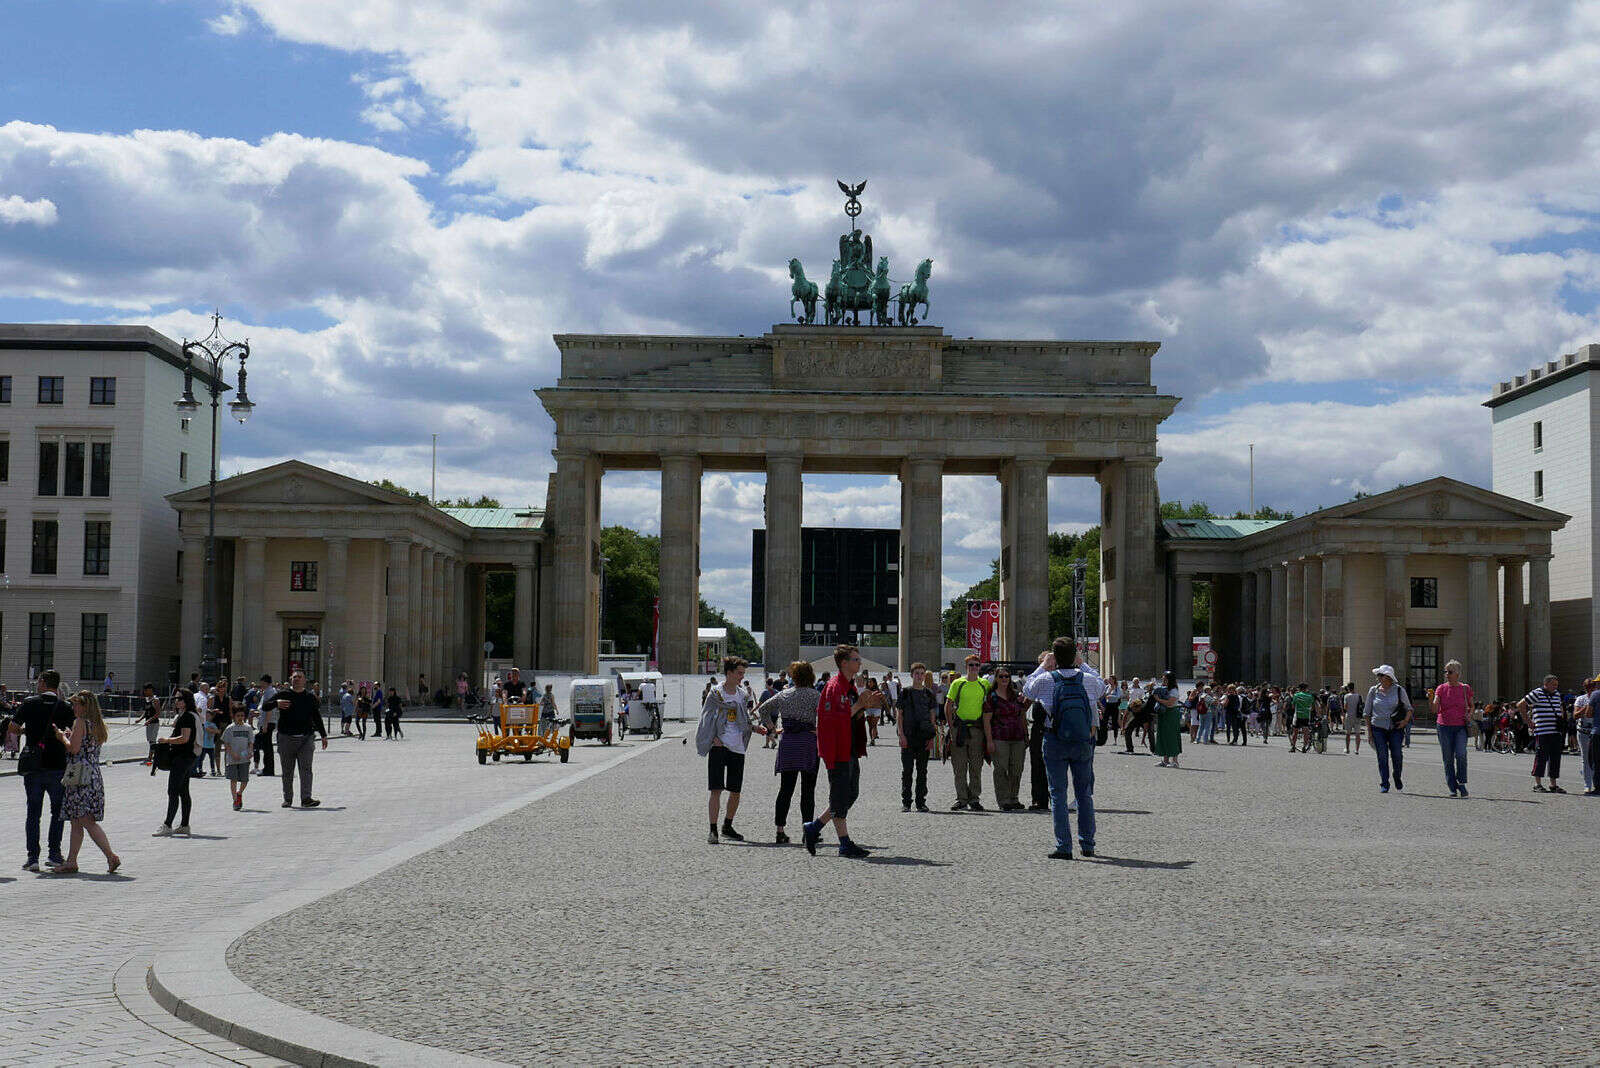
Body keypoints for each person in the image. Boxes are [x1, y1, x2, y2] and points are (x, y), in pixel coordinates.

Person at [1023, 638, 1105, 860]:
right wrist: (1082, 663)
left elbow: (1027, 689)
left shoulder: (1046, 679)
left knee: (1058, 794)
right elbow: (1102, 685)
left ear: (1055, 657)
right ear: (1074, 655)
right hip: (1082, 740)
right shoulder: (1087, 679)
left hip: (1055, 739)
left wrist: (1043, 665)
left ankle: (1064, 846)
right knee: (1084, 794)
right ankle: (1087, 844)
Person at [803, 645, 876, 858]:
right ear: (844, 663)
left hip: (849, 747)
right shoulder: (834, 687)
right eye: (855, 659)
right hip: (838, 749)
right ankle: (844, 843)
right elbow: (833, 720)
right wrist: (859, 705)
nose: (859, 663)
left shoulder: (849, 686)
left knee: (850, 793)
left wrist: (864, 705)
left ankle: (814, 827)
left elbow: (851, 716)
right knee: (841, 795)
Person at [48, 691, 119, 875]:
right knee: (76, 820)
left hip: (80, 775)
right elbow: (86, 744)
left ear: (84, 706)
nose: (74, 708)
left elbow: (73, 748)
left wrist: (62, 737)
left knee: (86, 820)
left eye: (76, 704)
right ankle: (71, 861)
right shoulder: (97, 723)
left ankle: (111, 856)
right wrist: (72, 736)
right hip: (93, 773)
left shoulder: (80, 722)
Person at [694, 657, 763, 843]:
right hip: (719, 745)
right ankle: (713, 830)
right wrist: (712, 739)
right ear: (729, 673)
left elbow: (743, 720)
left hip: (737, 746)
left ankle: (727, 825)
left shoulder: (742, 695)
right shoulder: (716, 693)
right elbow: (706, 718)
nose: (742, 676)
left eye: (743, 673)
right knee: (716, 789)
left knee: (735, 791)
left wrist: (755, 728)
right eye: (739, 673)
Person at [15, 670, 74, 872]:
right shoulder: (66, 707)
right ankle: (54, 854)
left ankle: (33, 858)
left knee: (33, 812)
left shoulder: (29, 703)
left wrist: (26, 730)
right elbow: (71, 732)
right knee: (57, 812)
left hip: (34, 766)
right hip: (57, 765)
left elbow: (13, 727)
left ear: (42, 682)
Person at [757, 660, 820, 844]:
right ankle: (807, 830)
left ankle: (780, 830)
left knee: (786, 789)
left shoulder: (784, 694)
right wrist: (819, 730)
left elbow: (763, 709)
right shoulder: (815, 695)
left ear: (793, 676)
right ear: (810, 676)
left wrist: (772, 728)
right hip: (808, 742)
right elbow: (826, 715)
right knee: (808, 790)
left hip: (789, 742)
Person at [944, 654, 992, 811]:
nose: (974, 668)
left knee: (976, 766)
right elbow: (948, 705)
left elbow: (990, 706)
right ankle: (962, 798)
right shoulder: (958, 683)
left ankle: (974, 798)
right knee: (959, 766)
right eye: (971, 665)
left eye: (977, 665)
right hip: (960, 729)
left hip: (977, 729)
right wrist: (951, 727)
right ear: (966, 667)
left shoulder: (984, 684)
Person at [274, 670, 328, 808]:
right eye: (294, 677)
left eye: (299, 677)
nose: (297, 679)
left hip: (306, 738)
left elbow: (316, 716)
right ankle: (288, 799)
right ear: (290, 679)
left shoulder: (310, 697)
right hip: (286, 738)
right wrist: (276, 703)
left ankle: (306, 799)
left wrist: (323, 735)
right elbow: (265, 706)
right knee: (287, 771)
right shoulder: (283, 694)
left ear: (304, 680)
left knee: (306, 770)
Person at [153, 689, 201, 836]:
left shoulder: (187, 716)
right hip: (188, 756)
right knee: (183, 791)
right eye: (175, 698)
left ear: (186, 700)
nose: (176, 701)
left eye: (179, 698)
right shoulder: (190, 715)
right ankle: (184, 825)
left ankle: (167, 825)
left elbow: (184, 738)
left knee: (173, 791)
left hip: (182, 757)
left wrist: (166, 740)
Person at [896, 662, 939, 812]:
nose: (919, 676)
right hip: (908, 736)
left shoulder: (929, 694)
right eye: (917, 673)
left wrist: (932, 738)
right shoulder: (905, 692)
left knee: (922, 771)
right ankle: (906, 802)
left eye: (922, 673)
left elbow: (932, 716)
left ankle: (921, 802)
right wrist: (901, 735)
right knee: (907, 771)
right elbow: (899, 715)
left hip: (923, 737)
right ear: (911, 675)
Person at [986, 668, 1030, 811]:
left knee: (1017, 769)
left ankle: (1013, 798)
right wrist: (989, 740)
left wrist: (1026, 735)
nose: (1004, 679)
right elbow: (986, 720)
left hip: (1017, 737)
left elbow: (1022, 715)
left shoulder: (1016, 695)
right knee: (1001, 768)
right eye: (1001, 676)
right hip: (999, 737)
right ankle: (1003, 800)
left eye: (1007, 676)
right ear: (996, 679)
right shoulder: (991, 697)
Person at [1365, 665, 1413, 794]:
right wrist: (1369, 732)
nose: (1378, 678)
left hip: (1395, 727)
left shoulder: (1399, 690)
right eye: (1378, 675)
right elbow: (1367, 713)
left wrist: (1405, 721)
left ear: (1388, 677)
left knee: (1397, 754)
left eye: (1380, 675)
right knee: (1382, 756)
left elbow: (1409, 708)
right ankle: (1384, 783)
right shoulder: (1373, 691)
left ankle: (1397, 776)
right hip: (1378, 727)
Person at [1518, 674, 1566, 793]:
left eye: (1556, 685)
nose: (1555, 687)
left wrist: (1561, 718)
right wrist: (1528, 721)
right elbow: (1520, 705)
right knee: (1541, 757)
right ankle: (1537, 784)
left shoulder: (1557, 694)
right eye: (1553, 685)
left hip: (1556, 731)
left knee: (1555, 758)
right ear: (1546, 684)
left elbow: (1560, 707)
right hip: (1543, 731)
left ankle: (1553, 784)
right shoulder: (1537, 693)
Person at [1432, 660, 1473, 798]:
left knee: (1461, 754)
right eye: (1445, 672)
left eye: (1450, 672)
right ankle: (1452, 787)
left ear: (1457, 674)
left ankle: (1461, 782)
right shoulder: (1441, 688)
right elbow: (1435, 709)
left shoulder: (1465, 688)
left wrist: (1470, 714)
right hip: (1443, 726)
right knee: (1448, 758)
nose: (1447, 674)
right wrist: (1431, 699)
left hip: (1460, 726)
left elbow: (1471, 705)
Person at [221, 704, 255, 811]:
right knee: (233, 780)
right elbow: (226, 743)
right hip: (232, 759)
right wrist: (232, 754)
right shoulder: (229, 728)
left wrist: (250, 751)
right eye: (238, 716)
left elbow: (251, 742)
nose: (240, 718)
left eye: (242, 715)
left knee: (245, 780)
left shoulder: (248, 728)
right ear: (234, 716)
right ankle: (235, 800)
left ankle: (239, 793)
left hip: (244, 758)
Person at [1152, 671, 1183, 768]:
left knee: (1172, 736)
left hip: (1171, 714)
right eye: (1163, 679)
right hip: (1164, 714)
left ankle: (1175, 761)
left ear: (1170, 680)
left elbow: (1170, 703)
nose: (1163, 681)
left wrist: (1158, 699)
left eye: (1165, 679)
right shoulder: (1164, 689)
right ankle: (1165, 760)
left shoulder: (1174, 690)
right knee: (1163, 736)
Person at [1577, 679, 1598, 796]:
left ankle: (1595, 781)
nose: (1589, 689)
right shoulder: (1581, 699)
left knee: (1596, 759)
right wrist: (1585, 707)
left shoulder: (1597, 696)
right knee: (1586, 758)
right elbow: (1575, 715)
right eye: (1587, 687)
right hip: (1583, 731)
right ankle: (1587, 784)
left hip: (1595, 731)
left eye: (1592, 686)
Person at [254, 674, 278, 775]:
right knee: (266, 746)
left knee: (267, 747)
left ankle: (268, 769)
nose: (261, 684)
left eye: (262, 682)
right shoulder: (268, 691)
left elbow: (269, 709)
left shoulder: (269, 692)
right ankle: (268, 768)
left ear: (265, 682)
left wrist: (265, 724)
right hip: (267, 721)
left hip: (268, 722)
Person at [140, 684, 163, 769]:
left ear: (150, 690)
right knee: (150, 740)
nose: (144, 692)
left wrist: (149, 720)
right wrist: (140, 719)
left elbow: (158, 713)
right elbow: (146, 712)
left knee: (153, 741)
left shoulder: (155, 700)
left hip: (154, 723)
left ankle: (151, 757)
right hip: (148, 723)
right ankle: (153, 756)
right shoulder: (147, 700)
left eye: (146, 690)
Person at [1289, 684, 1316, 753]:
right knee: (1305, 731)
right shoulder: (1310, 696)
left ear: (1299, 688)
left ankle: (1293, 747)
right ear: (1306, 688)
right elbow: (1312, 707)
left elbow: (1293, 706)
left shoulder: (1296, 695)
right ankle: (1304, 747)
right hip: (1306, 715)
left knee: (1295, 732)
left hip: (1298, 715)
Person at [1343, 683, 1364, 755]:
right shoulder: (1359, 696)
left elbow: (1345, 707)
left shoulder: (1346, 696)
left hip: (1349, 716)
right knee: (1357, 733)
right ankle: (1357, 750)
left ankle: (1347, 749)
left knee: (1348, 733)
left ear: (1348, 688)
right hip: (1357, 716)